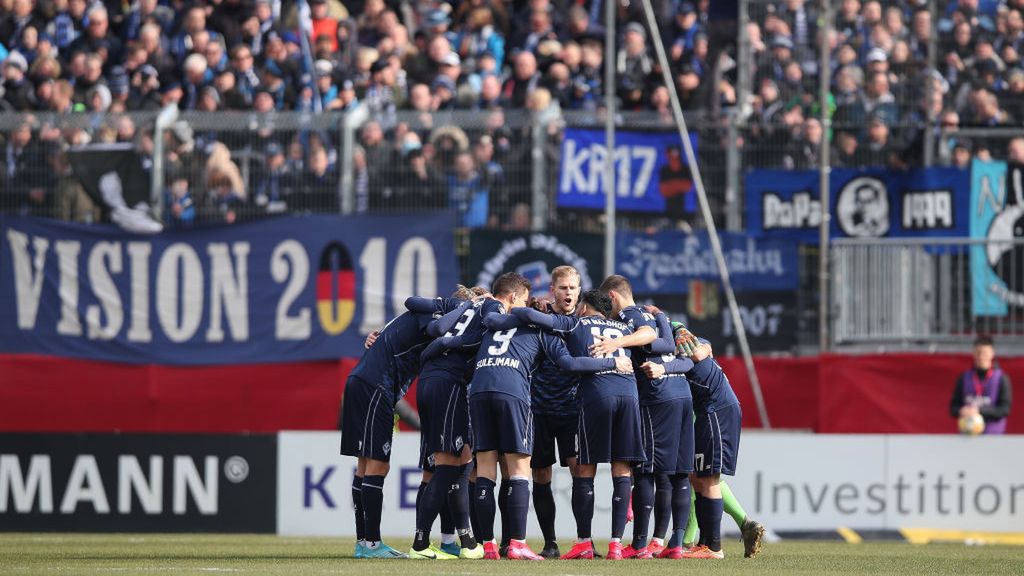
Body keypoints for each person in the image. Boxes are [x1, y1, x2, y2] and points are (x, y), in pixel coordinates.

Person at [461, 273, 630, 560]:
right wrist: (614, 359)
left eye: (572, 288)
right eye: (562, 288)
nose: (567, 293)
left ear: (579, 293)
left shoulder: (499, 324)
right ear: (552, 291)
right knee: (525, 473)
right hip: (531, 405)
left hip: (557, 406)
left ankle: (492, 544)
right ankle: (528, 542)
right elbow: (568, 362)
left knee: (489, 469)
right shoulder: (546, 324)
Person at [339, 290, 468, 559]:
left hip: (363, 381)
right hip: (377, 386)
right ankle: (372, 544)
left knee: (364, 466)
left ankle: (364, 542)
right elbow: (437, 326)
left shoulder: (410, 320)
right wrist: (463, 308)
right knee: (378, 465)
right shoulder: (431, 315)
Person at [592, 275, 693, 559]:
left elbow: (648, 336)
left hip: (656, 396)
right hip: (681, 393)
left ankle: (639, 545)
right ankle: (669, 543)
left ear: (613, 296)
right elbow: (671, 346)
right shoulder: (658, 318)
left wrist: (616, 343)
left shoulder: (629, 315)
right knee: (676, 472)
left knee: (647, 471)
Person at [949, 335, 1013, 435]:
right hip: (967, 436)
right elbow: (953, 408)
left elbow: (1004, 409)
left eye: (985, 353)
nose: (981, 356)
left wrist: (979, 411)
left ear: (992, 353)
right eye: (978, 352)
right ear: (973, 354)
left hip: (993, 436)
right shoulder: (964, 377)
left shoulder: (1001, 378)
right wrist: (961, 411)